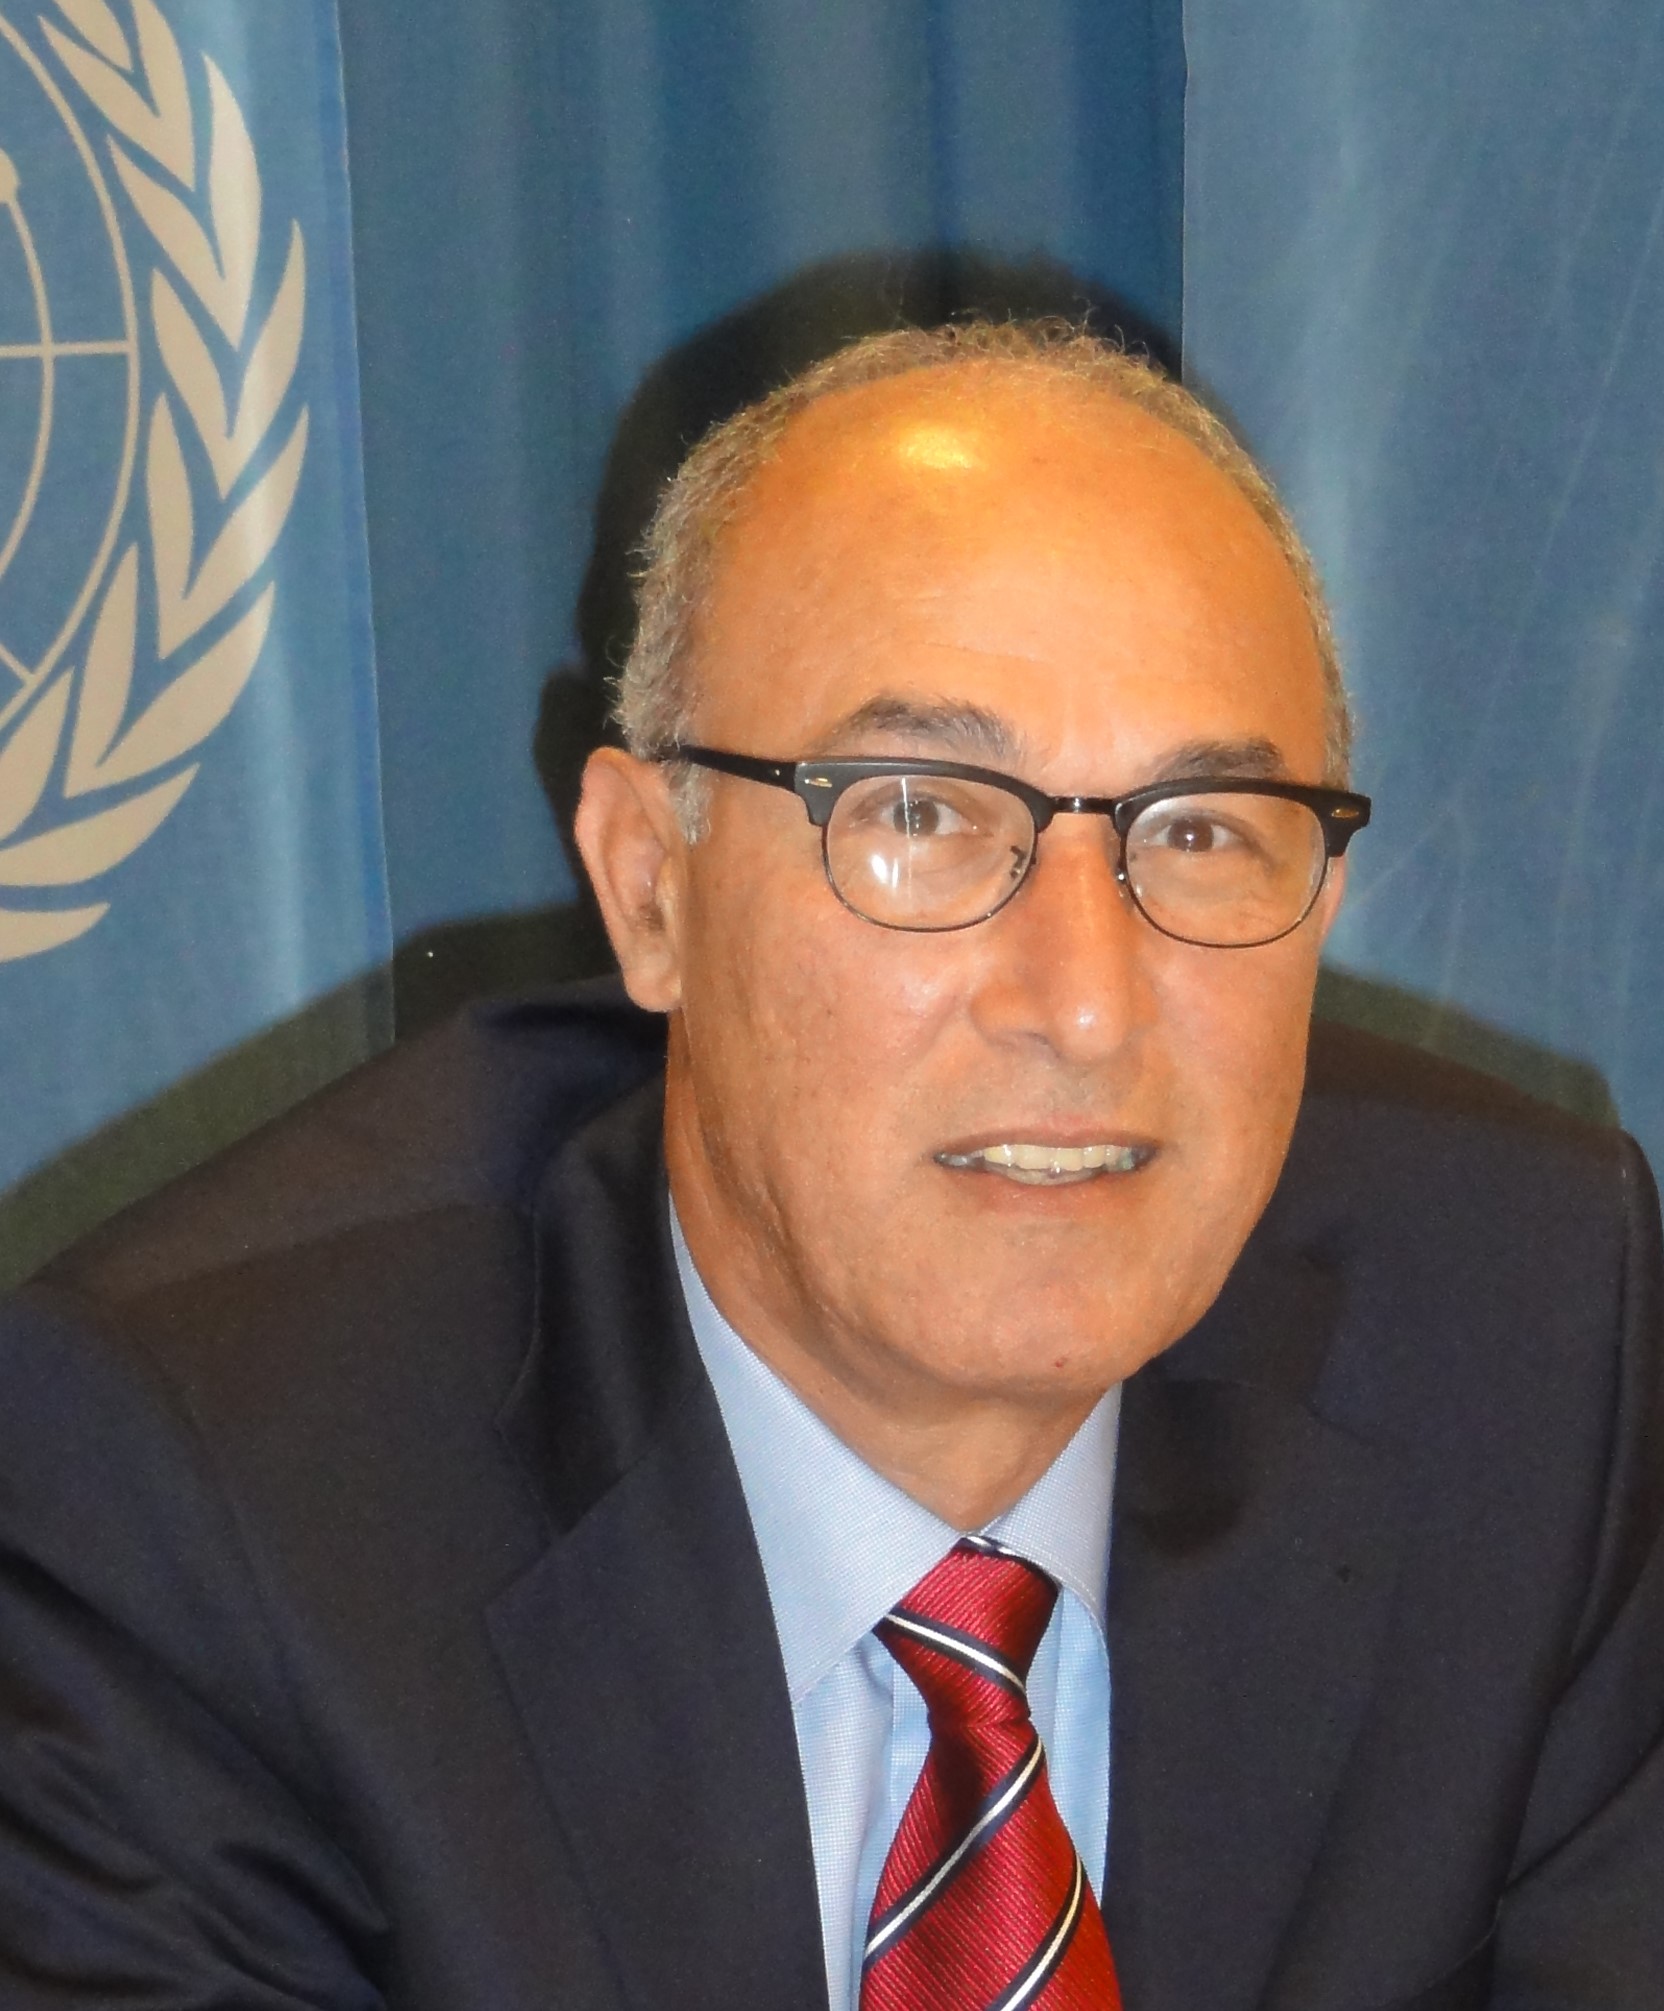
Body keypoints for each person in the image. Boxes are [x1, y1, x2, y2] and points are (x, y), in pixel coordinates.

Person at [0, 322, 1659, 2011]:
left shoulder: (1528, 1339)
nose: (1085, 1003)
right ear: (650, 886)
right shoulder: (206, 1496)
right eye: (920, 813)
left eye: (1202, 832)